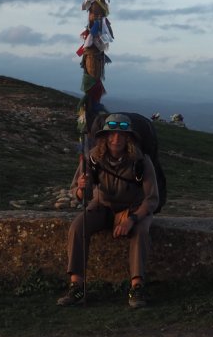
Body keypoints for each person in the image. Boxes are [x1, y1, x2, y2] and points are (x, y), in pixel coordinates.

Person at [59, 114, 160, 309]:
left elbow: (151, 199)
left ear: (129, 138)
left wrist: (131, 219)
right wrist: (81, 187)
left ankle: (137, 287)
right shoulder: (92, 158)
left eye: (122, 135)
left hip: (134, 209)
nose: (116, 139)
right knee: (78, 227)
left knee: (140, 233)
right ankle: (76, 285)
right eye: (112, 135)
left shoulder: (141, 161)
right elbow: (81, 196)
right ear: (104, 137)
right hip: (102, 206)